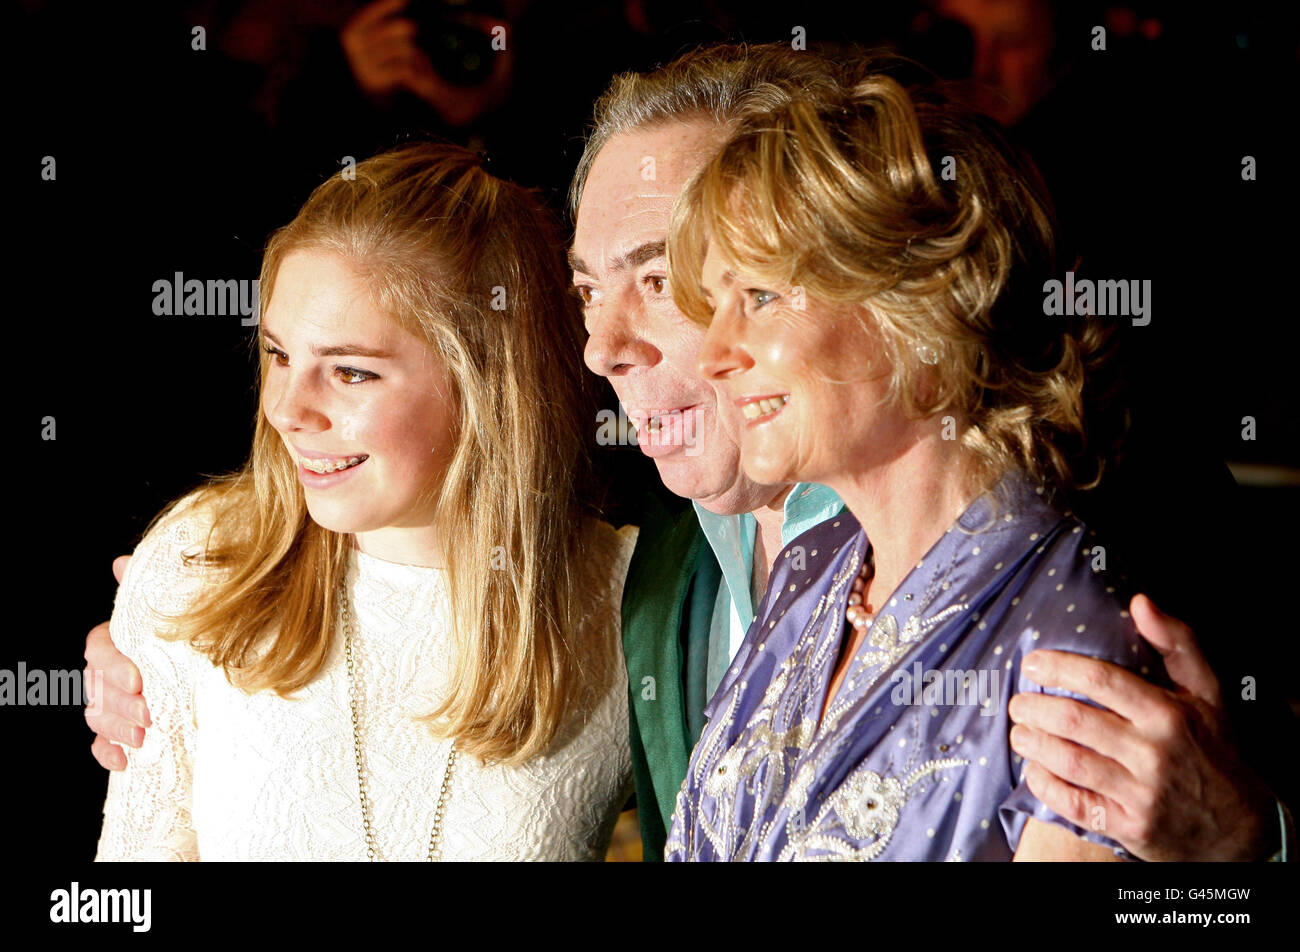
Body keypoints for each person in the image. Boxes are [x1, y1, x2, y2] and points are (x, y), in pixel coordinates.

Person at [88, 43, 1291, 863]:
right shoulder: (669, 566)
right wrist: (168, 629)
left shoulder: (1111, 538)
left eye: (679, 281)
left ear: (863, 275)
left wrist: (1242, 844)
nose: (605, 346)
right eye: (583, 291)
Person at [658, 62, 1269, 861]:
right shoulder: (814, 569)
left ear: (919, 308)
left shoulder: (1069, 644)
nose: (711, 356)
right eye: (714, 305)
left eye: (761, 298)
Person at [94, 141, 636, 861]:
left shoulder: (635, 600)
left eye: (350, 373)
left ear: (488, 386)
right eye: (280, 354)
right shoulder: (201, 562)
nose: (288, 410)